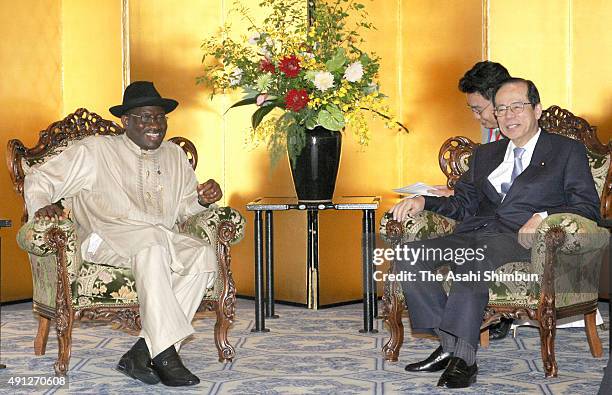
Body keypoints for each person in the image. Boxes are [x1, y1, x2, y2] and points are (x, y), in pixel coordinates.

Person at [390, 78, 600, 388]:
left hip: (523, 239)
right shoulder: (486, 154)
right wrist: (424, 201)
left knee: (471, 261)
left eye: (518, 107)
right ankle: (450, 345)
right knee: (408, 256)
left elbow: (588, 208)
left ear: (537, 109)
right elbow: (463, 204)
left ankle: (464, 359)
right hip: (477, 230)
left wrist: (543, 216)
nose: (509, 116)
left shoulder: (565, 151)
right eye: (501, 109)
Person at [24, 81, 222, 387]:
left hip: (159, 237)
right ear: (125, 121)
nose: (154, 124)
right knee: (153, 245)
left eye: (159, 117)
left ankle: (142, 352)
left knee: (202, 256)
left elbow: (185, 208)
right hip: (104, 238)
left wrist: (202, 199)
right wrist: (42, 204)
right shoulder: (95, 150)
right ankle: (167, 355)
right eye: (144, 117)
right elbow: (39, 177)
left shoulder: (174, 156)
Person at [428, 61, 515, 340]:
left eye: (479, 109)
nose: (477, 117)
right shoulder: (489, 141)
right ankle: (449, 337)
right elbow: (477, 190)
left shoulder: (535, 141)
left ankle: (457, 340)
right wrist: (446, 194)